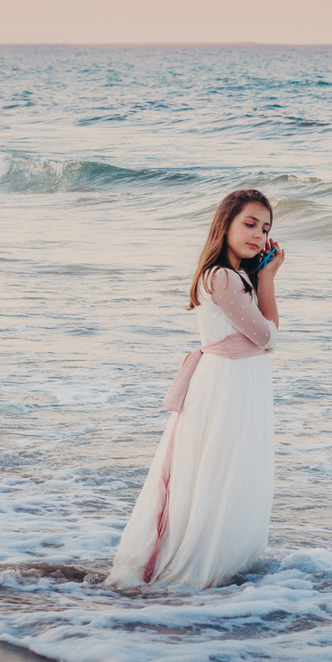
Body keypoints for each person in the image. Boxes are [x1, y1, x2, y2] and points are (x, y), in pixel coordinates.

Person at [105, 189, 284, 589]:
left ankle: (221, 559)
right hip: (226, 384)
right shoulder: (221, 276)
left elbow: (263, 334)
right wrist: (269, 278)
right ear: (226, 224)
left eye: (265, 228)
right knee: (219, 470)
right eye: (250, 224)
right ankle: (200, 563)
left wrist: (261, 277)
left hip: (236, 381)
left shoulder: (237, 277)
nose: (259, 235)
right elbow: (267, 336)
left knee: (226, 471)